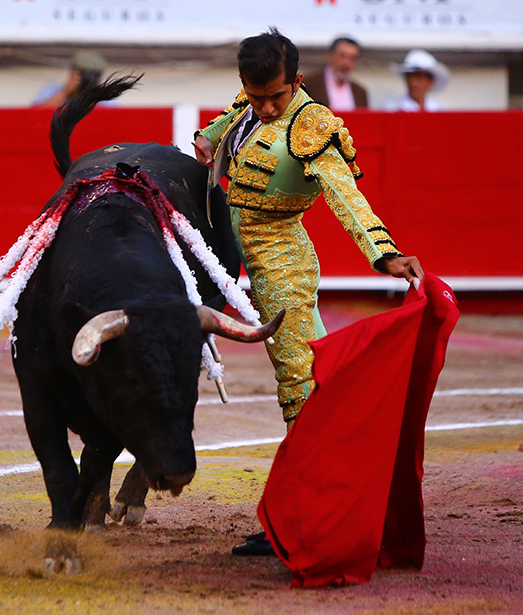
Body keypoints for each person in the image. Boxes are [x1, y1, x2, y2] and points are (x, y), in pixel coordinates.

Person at [193, 28, 422, 555]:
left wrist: (382, 252)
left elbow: (345, 193)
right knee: (317, 378)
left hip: (280, 262)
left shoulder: (311, 122)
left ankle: (309, 515)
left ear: (297, 81)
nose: (268, 107)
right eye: (258, 97)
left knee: (301, 386)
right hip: (229, 249)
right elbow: (224, 125)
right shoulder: (248, 102)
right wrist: (208, 139)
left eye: (277, 95)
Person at [302, 37, 368, 111]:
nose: (346, 63)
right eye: (342, 56)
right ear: (330, 55)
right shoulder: (308, 84)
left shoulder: (360, 92)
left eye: (352, 58)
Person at [32, 51, 107, 107]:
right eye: (84, 75)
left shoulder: (106, 100)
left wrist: (94, 97)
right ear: (72, 74)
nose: (88, 79)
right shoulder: (51, 91)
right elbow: (34, 115)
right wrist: (65, 93)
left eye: (94, 76)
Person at [384, 49, 449, 112]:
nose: (413, 83)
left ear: (430, 81)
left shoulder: (439, 110)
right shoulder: (392, 109)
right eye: (410, 77)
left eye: (419, 78)